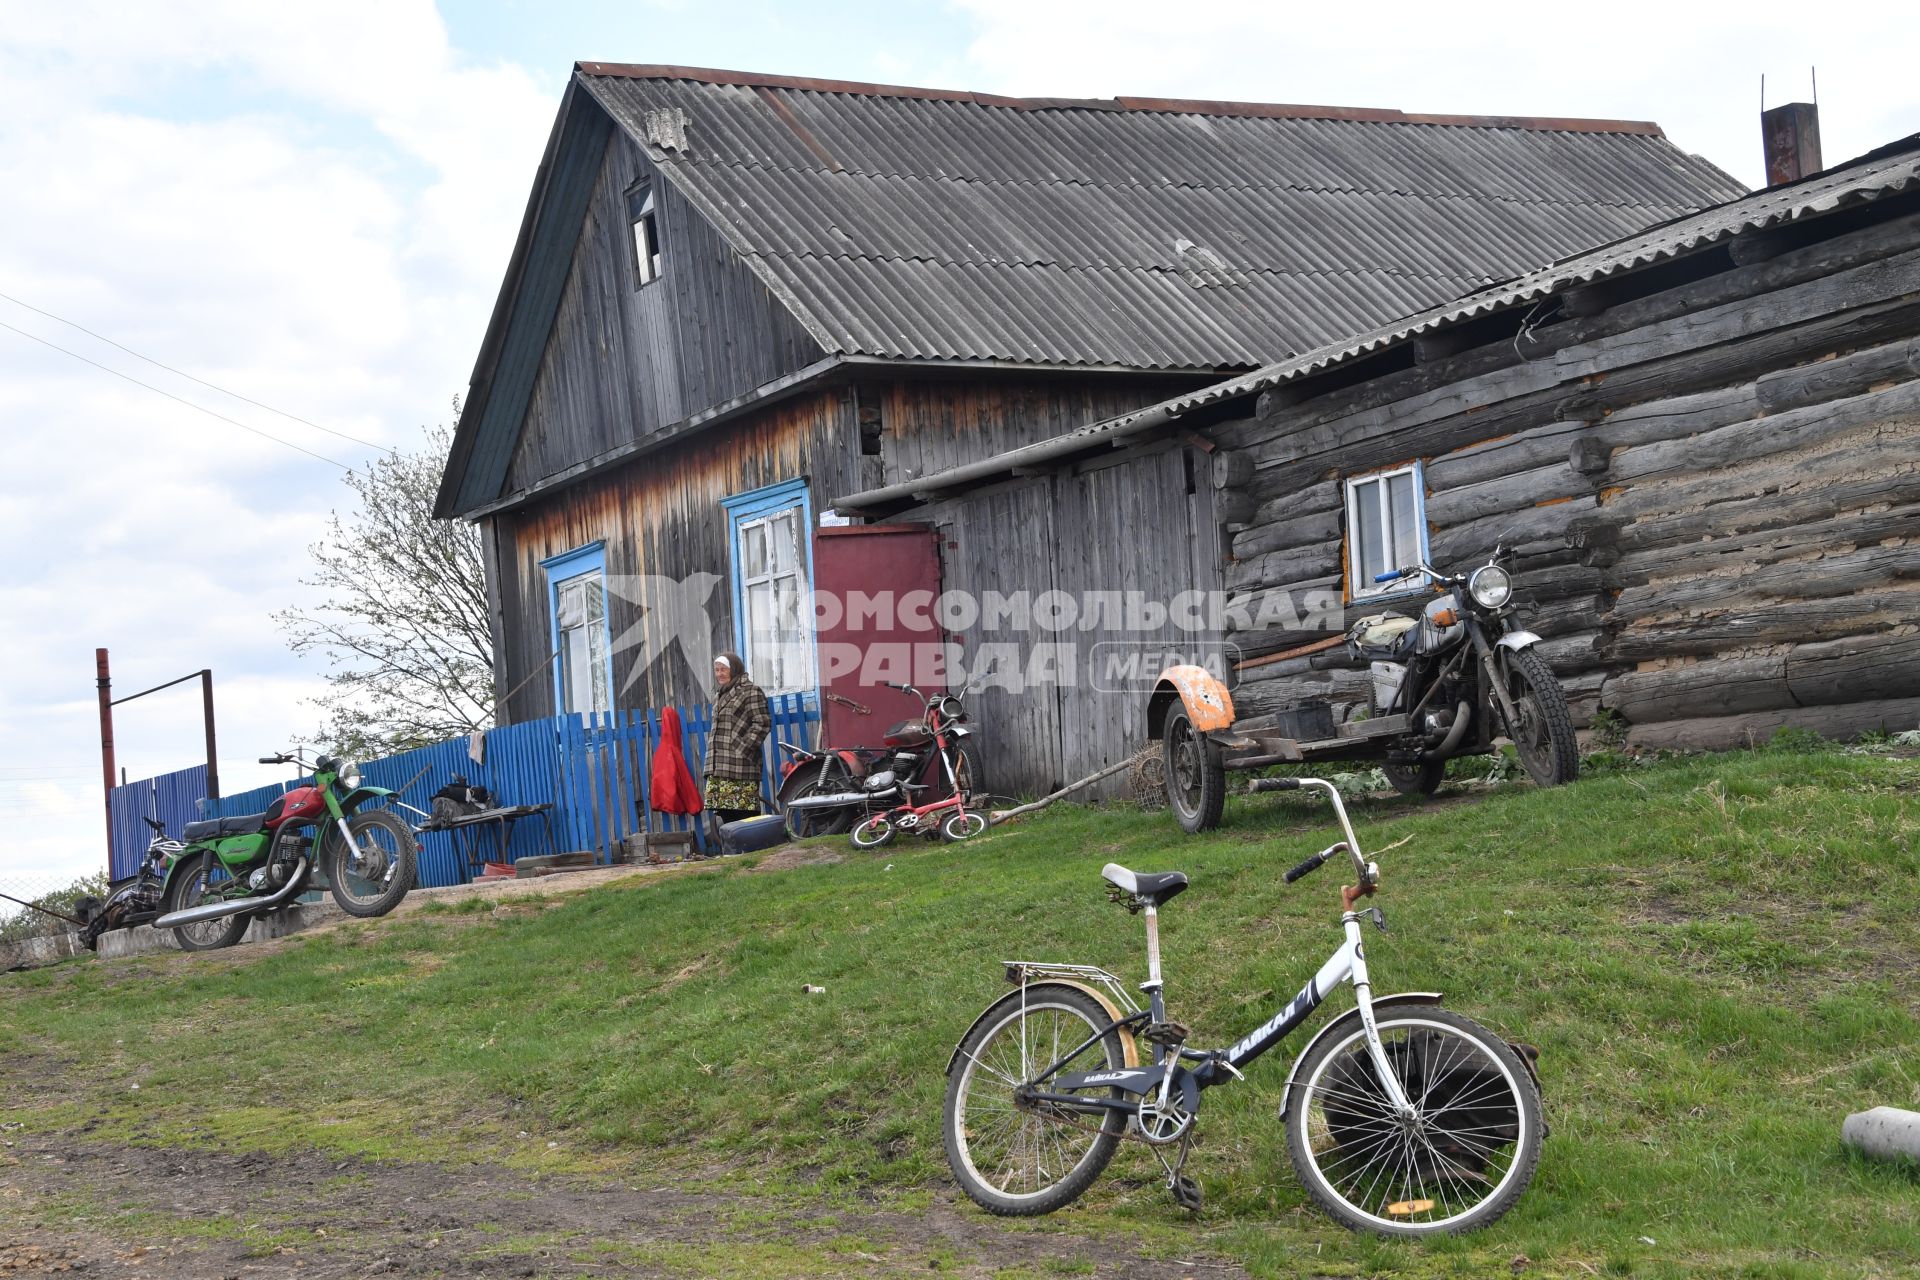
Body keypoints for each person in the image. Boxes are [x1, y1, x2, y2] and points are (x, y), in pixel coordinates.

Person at [705, 652, 771, 829]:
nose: (719, 674)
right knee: (725, 810)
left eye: (723, 669)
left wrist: (743, 748)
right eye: (716, 670)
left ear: (734, 669)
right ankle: (736, 850)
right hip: (720, 764)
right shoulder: (719, 695)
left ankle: (753, 850)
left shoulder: (750, 691)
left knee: (745, 812)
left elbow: (762, 723)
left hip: (740, 763)